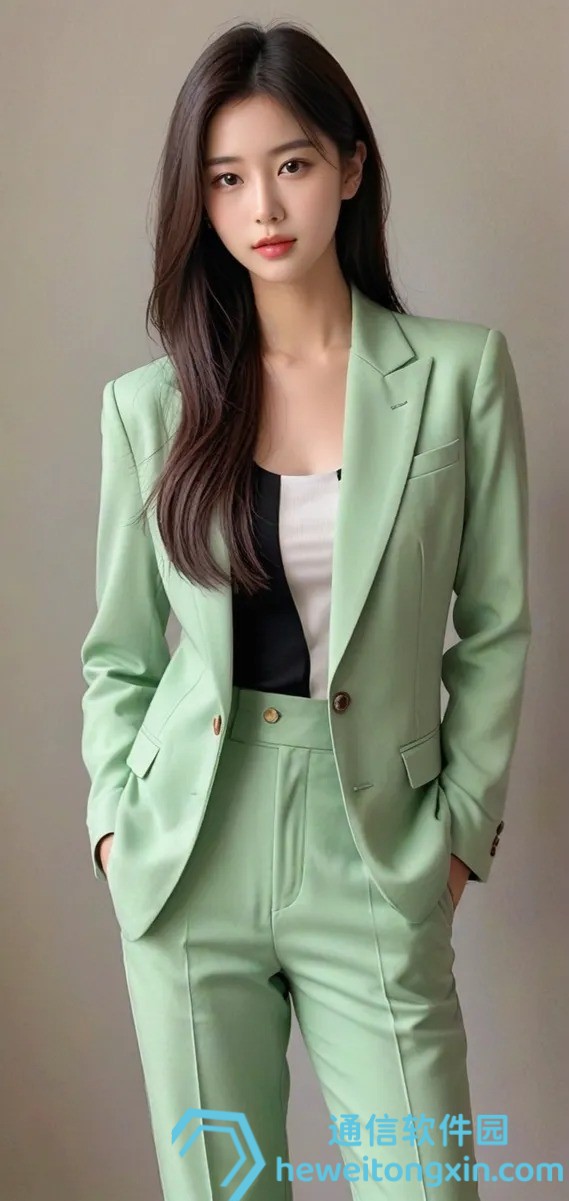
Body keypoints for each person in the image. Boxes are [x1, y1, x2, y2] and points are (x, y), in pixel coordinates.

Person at [80, 18, 532, 1201]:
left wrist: (457, 835)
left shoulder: (458, 376)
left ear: (350, 166)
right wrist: (115, 829)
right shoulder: (150, 410)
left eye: (289, 164)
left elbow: (493, 627)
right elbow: (118, 657)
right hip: (189, 848)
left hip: (371, 841)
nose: (262, 207)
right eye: (225, 179)